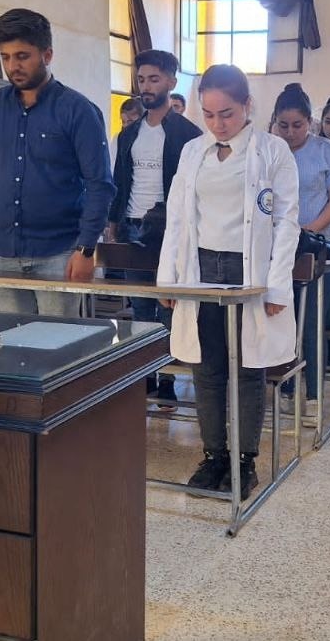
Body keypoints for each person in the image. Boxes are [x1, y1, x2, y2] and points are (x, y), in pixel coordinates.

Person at [157, 64, 299, 500]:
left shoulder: (272, 151)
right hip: (200, 270)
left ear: (247, 106)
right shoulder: (193, 152)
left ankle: (243, 460)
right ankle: (213, 456)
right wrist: (169, 279)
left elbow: (286, 221)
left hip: (247, 274)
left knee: (248, 369)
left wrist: (277, 286)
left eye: (227, 114)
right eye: (209, 114)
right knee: (207, 368)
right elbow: (177, 218)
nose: (218, 124)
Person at [0, 8, 115, 317]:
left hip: (59, 252)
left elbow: (100, 184)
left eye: (22, 56)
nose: (13, 66)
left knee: (57, 342)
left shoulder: (78, 110)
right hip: (4, 251)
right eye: (6, 57)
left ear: (47, 55)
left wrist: (86, 248)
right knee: (12, 341)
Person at [108, 49, 202, 408]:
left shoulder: (188, 134)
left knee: (168, 307)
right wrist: (113, 223)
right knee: (141, 307)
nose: (146, 86)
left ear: (171, 82)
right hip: (132, 228)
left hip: (168, 229)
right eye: (142, 79)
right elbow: (119, 181)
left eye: (154, 79)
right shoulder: (129, 133)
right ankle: (145, 377)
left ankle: (167, 379)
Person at [273, 83, 330, 412]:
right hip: (277, 248)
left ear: (310, 122)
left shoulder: (326, 151)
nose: (290, 133)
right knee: (281, 321)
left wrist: (309, 231)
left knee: (312, 324)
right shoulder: (269, 150)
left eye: (298, 125)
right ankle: (286, 387)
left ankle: (314, 394)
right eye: (283, 125)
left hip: (318, 247)